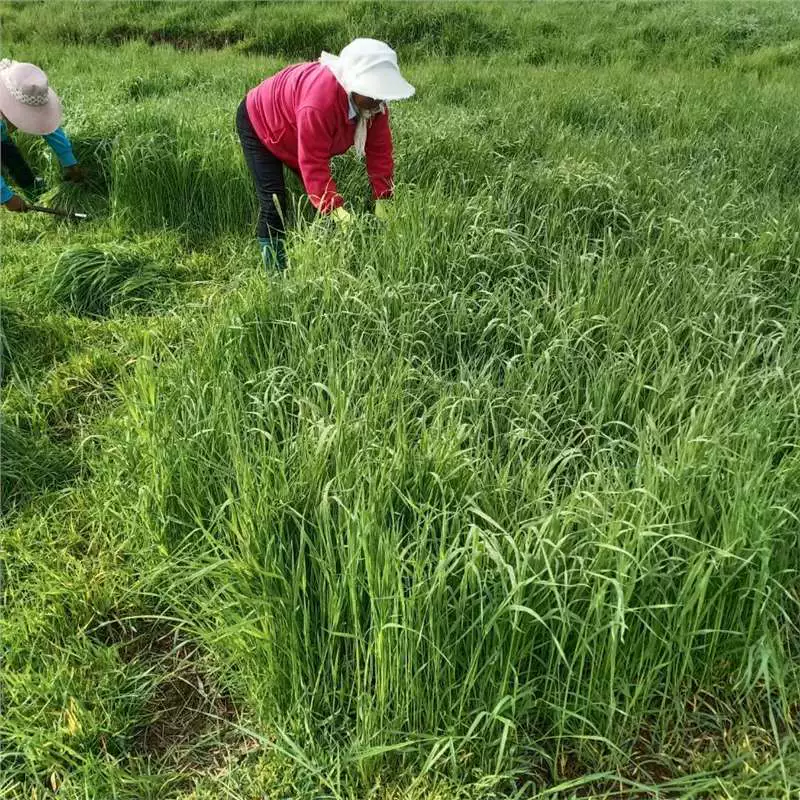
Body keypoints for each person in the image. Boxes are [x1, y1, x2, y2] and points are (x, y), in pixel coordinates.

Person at [237, 38, 415, 271]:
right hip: (261, 121)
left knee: (320, 199)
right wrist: (335, 209)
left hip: (296, 128)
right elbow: (313, 162)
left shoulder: (373, 106)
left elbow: (380, 151)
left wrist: (383, 196)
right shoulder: (319, 103)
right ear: (353, 85)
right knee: (275, 202)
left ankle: (327, 258)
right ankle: (276, 276)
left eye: (382, 95)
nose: (378, 101)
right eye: (373, 94)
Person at [0, 60, 84, 213]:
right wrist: (6, 197)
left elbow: (48, 128)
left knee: (12, 156)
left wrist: (69, 161)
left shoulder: (20, 82)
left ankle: (33, 189)